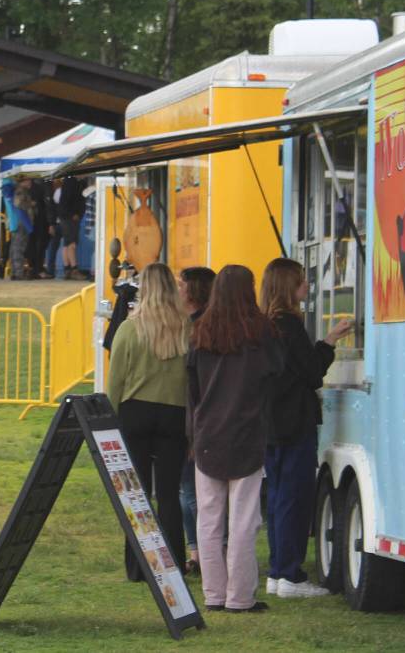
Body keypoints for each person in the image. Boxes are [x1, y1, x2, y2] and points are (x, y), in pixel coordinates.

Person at [187, 265, 282, 613]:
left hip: (208, 432)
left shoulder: (200, 331)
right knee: (244, 519)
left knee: (208, 519)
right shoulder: (262, 332)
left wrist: (193, 432)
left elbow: (192, 389)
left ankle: (214, 594)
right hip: (247, 432)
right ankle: (240, 597)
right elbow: (276, 373)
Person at [260, 257, 353, 598]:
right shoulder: (290, 326)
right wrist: (328, 342)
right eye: (301, 281)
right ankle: (290, 575)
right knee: (294, 498)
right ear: (289, 287)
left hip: (270, 423)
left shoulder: (266, 324)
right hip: (294, 422)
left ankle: (276, 571)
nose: (307, 287)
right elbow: (312, 372)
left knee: (277, 497)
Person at [107, 262, 191, 581]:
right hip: (174, 413)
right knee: (169, 494)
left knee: (137, 493)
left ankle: (137, 565)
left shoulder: (130, 328)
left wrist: (110, 420)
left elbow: (116, 380)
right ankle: (174, 564)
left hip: (135, 412)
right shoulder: (185, 327)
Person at [176, 266, 217, 574]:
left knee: (192, 491)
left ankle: (205, 552)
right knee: (187, 490)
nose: (177, 291)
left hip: (195, 421)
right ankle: (197, 550)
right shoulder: (190, 325)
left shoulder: (199, 329)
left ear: (192, 291)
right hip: (191, 419)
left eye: (181, 285)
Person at [46, 176, 87, 280]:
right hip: (69, 218)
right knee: (71, 244)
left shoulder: (62, 187)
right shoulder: (72, 183)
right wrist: (74, 213)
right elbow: (69, 201)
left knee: (66, 244)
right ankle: (74, 268)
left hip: (63, 218)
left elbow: (60, 203)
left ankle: (67, 268)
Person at [9, 179, 36, 280]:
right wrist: (31, 204)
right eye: (28, 180)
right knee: (19, 248)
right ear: (22, 181)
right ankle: (18, 273)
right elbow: (18, 204)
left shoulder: (19, 190)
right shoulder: (20, 190)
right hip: (22, 222)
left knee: (15, 248)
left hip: (18, 222)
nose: (30, 183)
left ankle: (15, 272)